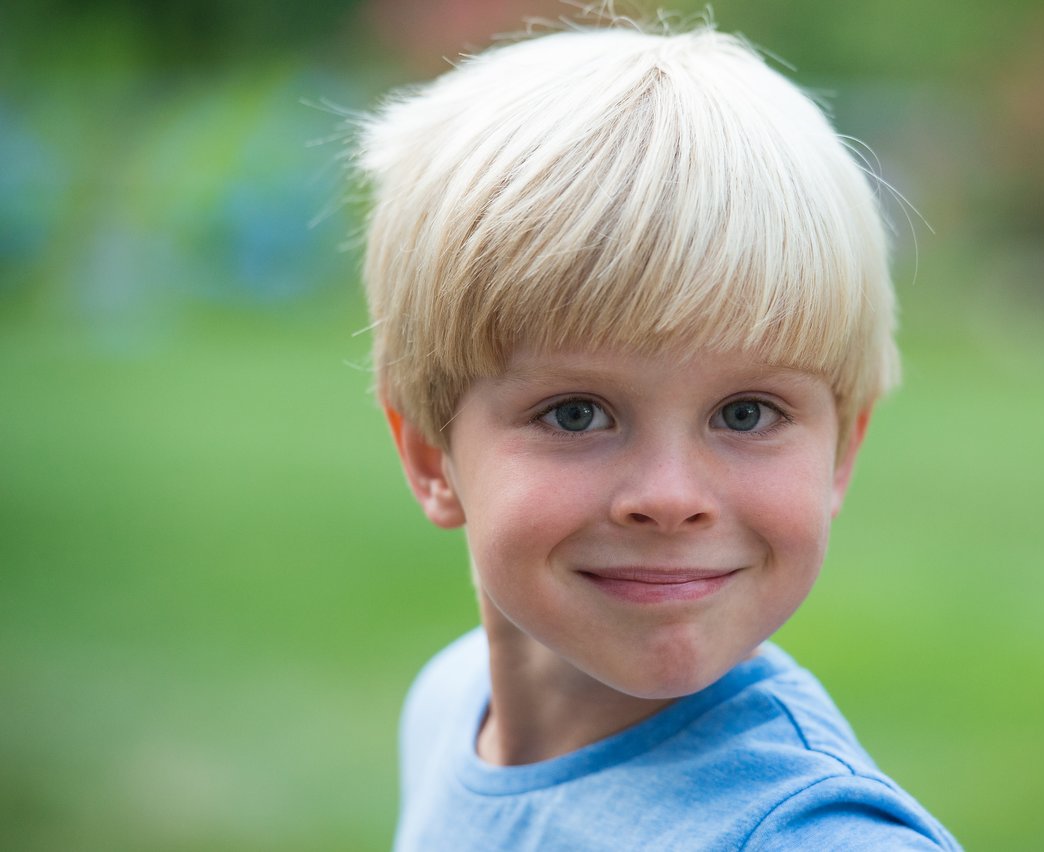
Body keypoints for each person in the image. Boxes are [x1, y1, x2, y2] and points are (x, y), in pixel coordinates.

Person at [356, 17, 961, 850]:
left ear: (840, 452)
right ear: (430, 453)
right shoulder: (449, 705)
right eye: (576, 413)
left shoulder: (811, 836)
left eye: (746, 413)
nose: (670, 498)